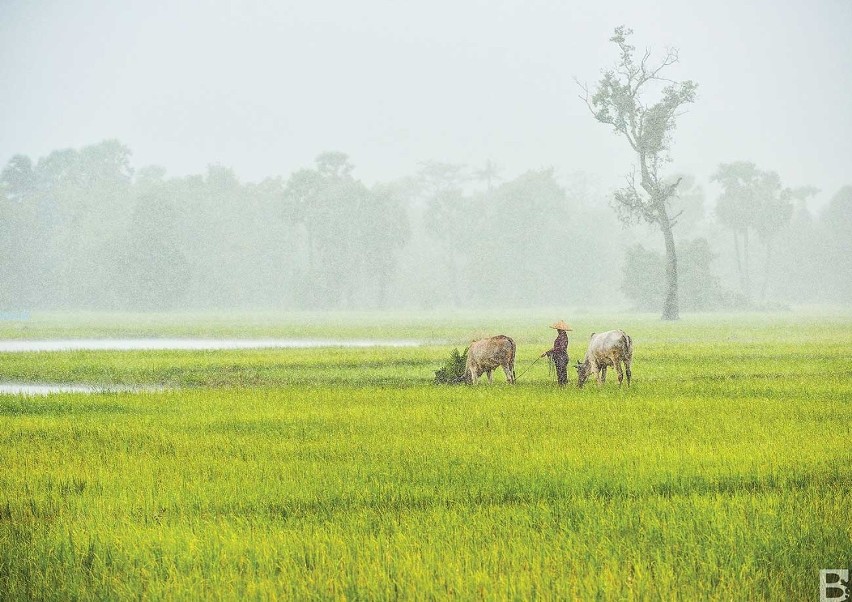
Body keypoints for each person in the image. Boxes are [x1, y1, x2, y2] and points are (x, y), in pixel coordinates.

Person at [541, 320, 572, 385]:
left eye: (558, 329)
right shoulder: (562, 336)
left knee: (561, 372)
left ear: (560, 330)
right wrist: (547, 352)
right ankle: (563, 385)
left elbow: (560, 348)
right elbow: (557, 347)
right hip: (561, 357)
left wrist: (547, 352)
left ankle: (562, 386)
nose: (557, 330)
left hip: (561, 357)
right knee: (562, 372)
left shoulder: (562, 337)